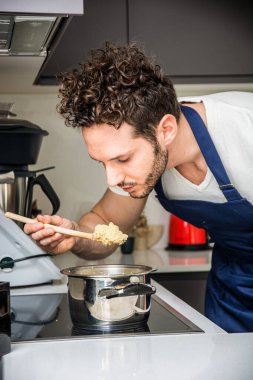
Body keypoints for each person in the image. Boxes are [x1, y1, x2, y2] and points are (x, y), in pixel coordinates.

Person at [24, 43, 253, 333]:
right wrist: (75, 235)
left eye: (123, 159)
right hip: (233, 286)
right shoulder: (141, 160)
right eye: (102, 163)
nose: (112, 179)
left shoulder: (245, 128)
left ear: (166, 130)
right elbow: (107, 224)